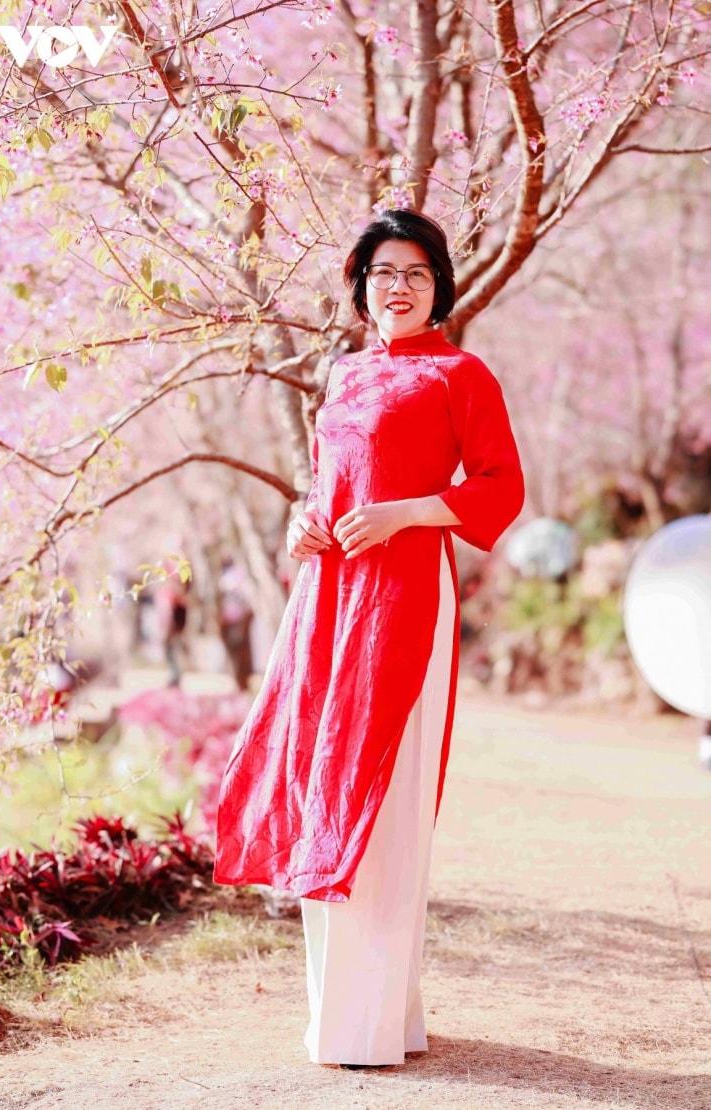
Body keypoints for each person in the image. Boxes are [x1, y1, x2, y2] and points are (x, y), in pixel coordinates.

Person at [213, 208, 525, 1067]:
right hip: (330, 596)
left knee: (384, 793)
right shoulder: (344, 374)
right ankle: (363, 1017)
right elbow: (330, 483)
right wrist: (301, 523)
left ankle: (370, 1023)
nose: (399, 286)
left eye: (417, 273)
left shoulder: (461, 375)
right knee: (327, 783)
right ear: (360, 288)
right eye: (384, 272)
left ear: (439, 288)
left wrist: (407, 513)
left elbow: (501, 485)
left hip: (406, 593)